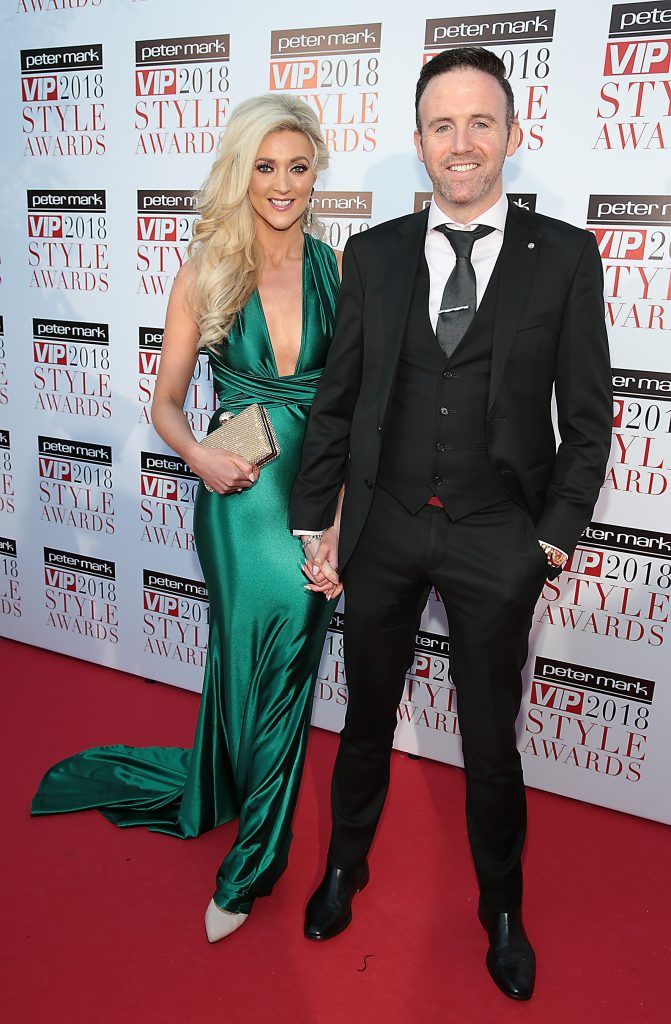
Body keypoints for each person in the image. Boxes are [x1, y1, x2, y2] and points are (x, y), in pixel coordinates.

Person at [290, 46, 612, 1000]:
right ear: (419, 141)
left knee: (489, 739)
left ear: (512, 134)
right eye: (442, 125)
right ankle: (345, 865)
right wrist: (319, 521)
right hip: (384, 529)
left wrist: (549, 537)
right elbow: (338, 401)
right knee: (362, 719)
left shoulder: (562, 256)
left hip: (493, 536)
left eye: (481, 123)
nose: (461, 143)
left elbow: (589, 418)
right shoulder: (375, 253)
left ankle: (501, 909)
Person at [31, 94, 342, 943]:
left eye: (297, 166)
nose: (280, 184)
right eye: (264, 166)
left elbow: (354, 410)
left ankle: (250, 867)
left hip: (314, 502)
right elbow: (167, 403)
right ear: (242, 172)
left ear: (316, 174)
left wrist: (340, 516)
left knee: (288, 672)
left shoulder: (338, 272)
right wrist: (199, 457)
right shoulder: (208, 269)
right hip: (237, 500)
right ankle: (225, 788)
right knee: (243, 666)